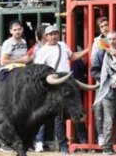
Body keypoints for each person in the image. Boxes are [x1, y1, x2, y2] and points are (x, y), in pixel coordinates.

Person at [34, 25, 89, 155]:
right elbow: (38, 71)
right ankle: (64, 146)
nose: (54, 36)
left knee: (77, 112)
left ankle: (84, 142)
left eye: (55, 33)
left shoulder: (62, 45)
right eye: (51, 34)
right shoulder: (42, 51)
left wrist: (87, 50)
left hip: (68, 83)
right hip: (55, 86)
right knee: (59, 118)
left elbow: (72, 57)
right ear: (46, 37)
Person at [94, 31, 116, 154]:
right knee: (108, 120)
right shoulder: (101, 52)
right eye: (110, 39)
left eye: (115, 39)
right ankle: (107, 148)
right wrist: (108, 79)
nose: (112, 41)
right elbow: (94, 71)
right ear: (106, 40)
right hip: (108, 91)